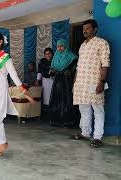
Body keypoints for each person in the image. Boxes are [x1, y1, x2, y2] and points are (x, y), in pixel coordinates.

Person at [0, 32, 35, 158]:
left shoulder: (5, 58)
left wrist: (24, 91)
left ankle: (1, 145)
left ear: (0, 42)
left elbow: (13, 75)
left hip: (0, 91)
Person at [72, 19, 110, 148]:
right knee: (84, 109)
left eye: (87, 28)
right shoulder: (82, 45)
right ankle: (85, 133)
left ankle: (98, 137)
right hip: (81, 83)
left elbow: (105, 64)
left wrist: (102, 81)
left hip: (95, 82)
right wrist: (75, 82)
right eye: (84, 29)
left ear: (95, 29)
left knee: (98, 109)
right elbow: (78, 66)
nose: (85, 31)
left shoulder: (102, 43)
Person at [48, 39, 79, 127]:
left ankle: (67, 121)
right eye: (58, 46)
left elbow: (74, 70)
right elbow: (52, 69)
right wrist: (54, 71)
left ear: (65, 46)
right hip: (57, 83)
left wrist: (66, 72)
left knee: (67, 100)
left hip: (67, 82)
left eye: (61, 46)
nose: (60, 48)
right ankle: (56, 121)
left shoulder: (72, 57)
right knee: (57, 100)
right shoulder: (55, 57)